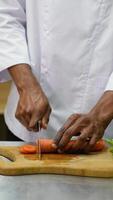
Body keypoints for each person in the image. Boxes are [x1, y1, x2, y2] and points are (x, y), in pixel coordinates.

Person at [0, 0, 113, 152]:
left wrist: (103, 112)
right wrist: (26, 85)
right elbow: (5, 12)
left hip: (105, 122)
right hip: (28, 119)